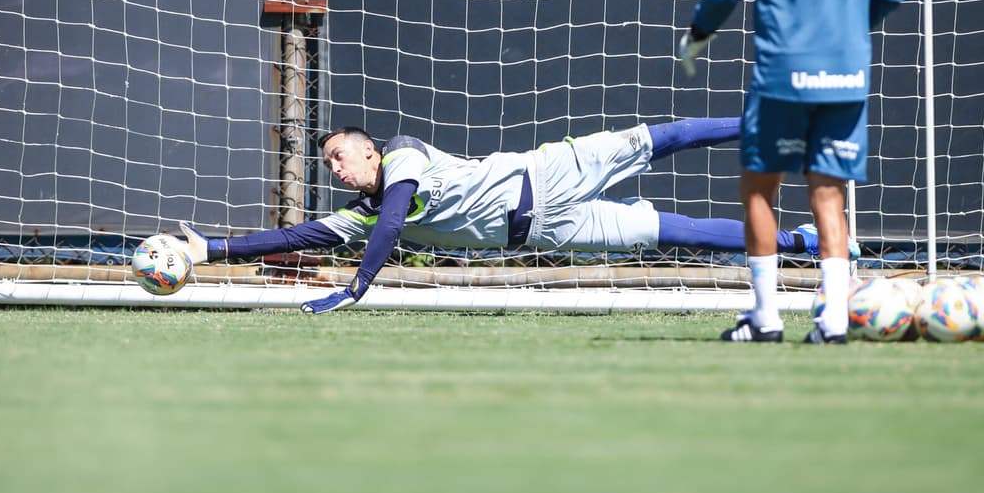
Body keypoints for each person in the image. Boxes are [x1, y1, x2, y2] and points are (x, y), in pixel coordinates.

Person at [177, 117, 855, 313]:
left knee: (659, 139)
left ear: (369, 148)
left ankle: (767, 125)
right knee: (668, 232)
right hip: (547, 231)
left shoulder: (406, 159)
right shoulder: (363, 210)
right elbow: (293, 235)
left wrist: (359, 285)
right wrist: (208, 249)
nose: (334, 166)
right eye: (326, 162)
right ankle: (800, 238)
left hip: (547, 172)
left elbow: (389, 228)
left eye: (339, 154)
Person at [678, 0, 907, 343]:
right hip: (846, 75)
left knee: (760, 192)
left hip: (782, 75)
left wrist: (699, 34)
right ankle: (832, 321)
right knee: (829, 193)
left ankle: (765, 318)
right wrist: (853, 28)